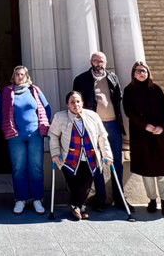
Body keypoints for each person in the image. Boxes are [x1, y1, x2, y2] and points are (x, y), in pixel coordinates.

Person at [71, 51, 133, 212]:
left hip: (113, 124)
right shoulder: (81, 79)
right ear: (91, 62)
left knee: (116, 160)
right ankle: (100, 197)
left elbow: (118, 98)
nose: (100, 64)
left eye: (102, 61)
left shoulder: (112, 77)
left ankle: (119, 197)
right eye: (97, 61)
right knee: (97, 162)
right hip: (93, 127)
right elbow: (77, 103)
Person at [122, 61, 164, 216]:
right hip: (141, 134)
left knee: (163, 170)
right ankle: (152, 200)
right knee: (147, 171)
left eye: (144, 71)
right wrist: (144, 125)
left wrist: (161, 126)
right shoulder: (129, 90)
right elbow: (129, 112)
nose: (142, 73)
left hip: (159, 135)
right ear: (134, 73)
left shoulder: (155, 89)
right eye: (139, 71)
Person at [48, 91, 113, 221]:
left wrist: (107, 154)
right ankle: (80, 207)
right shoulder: (60, 117)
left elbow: (102, 136)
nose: (75, 104)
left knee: (86, 185)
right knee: (74, 185)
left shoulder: (93, 116)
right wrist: (55, 153)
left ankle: (76, 206)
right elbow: (53, 135)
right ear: (67, 104)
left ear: (82, 103)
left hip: (90, 158)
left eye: (78, 101)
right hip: (69, 159)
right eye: (72, 102)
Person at [0, 65, 51, 215]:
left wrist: (43, 127)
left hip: (35, 134)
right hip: (15, 136)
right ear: (13, 77)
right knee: (18, 168)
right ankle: (20, 199)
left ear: (27, 76)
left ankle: (37, 199)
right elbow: (1, 113)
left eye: (22, 74)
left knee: (36, 167)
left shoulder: (34, 90)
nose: (20, 76)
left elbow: (46, 108)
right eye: (17, 74)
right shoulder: (8, 92)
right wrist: (7, 128)